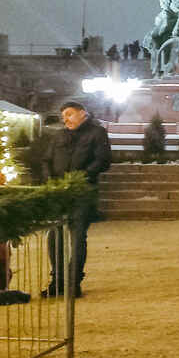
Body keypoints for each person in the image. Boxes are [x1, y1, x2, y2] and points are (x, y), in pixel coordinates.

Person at [41, 100, 111, 298]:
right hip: (58, 192)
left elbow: (103, 160)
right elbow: (46, 160)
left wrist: (82, 177)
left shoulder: (97, 133)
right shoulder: (59, 135)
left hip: (83, 192)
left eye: (70, 114)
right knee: (54, 236)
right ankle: (57, 282)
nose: (66, 119)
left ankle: (73, 283)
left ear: (83, 113)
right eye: (64, 116)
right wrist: (49, 179)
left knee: (78, 236)